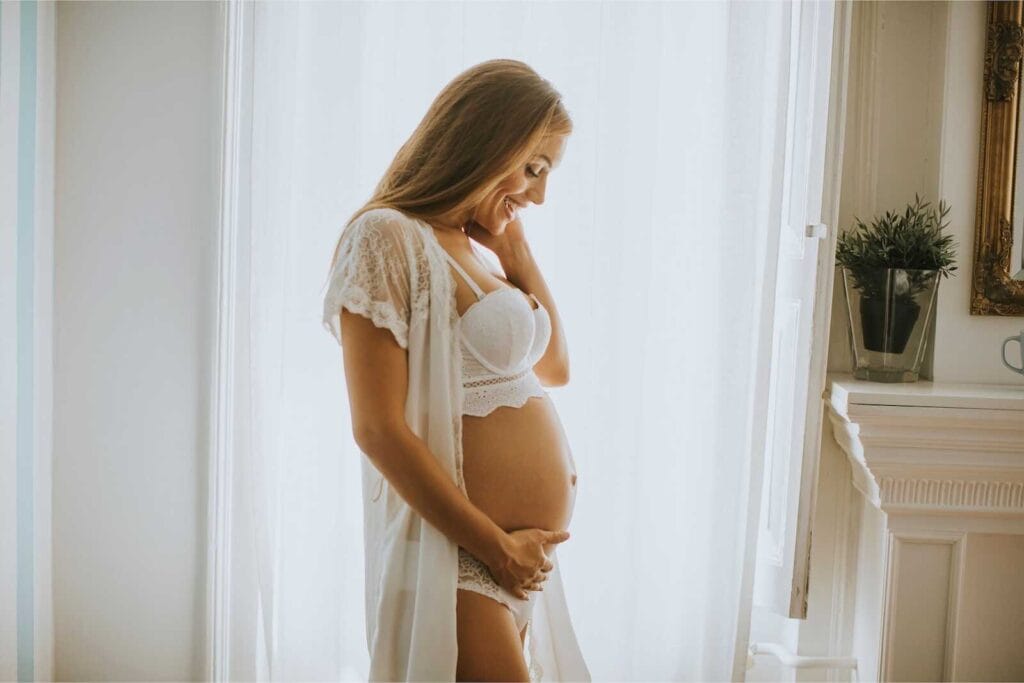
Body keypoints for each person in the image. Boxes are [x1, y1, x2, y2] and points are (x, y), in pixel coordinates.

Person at [322, 59, 590, 682]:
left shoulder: (471, 250)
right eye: (535, 167)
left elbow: (555, 369)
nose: (540, 194)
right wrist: (496, 549)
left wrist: (518, 257)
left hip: (516, 563)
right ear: (486, 141)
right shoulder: (385, 237)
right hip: (464, 555)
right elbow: (377, 429)